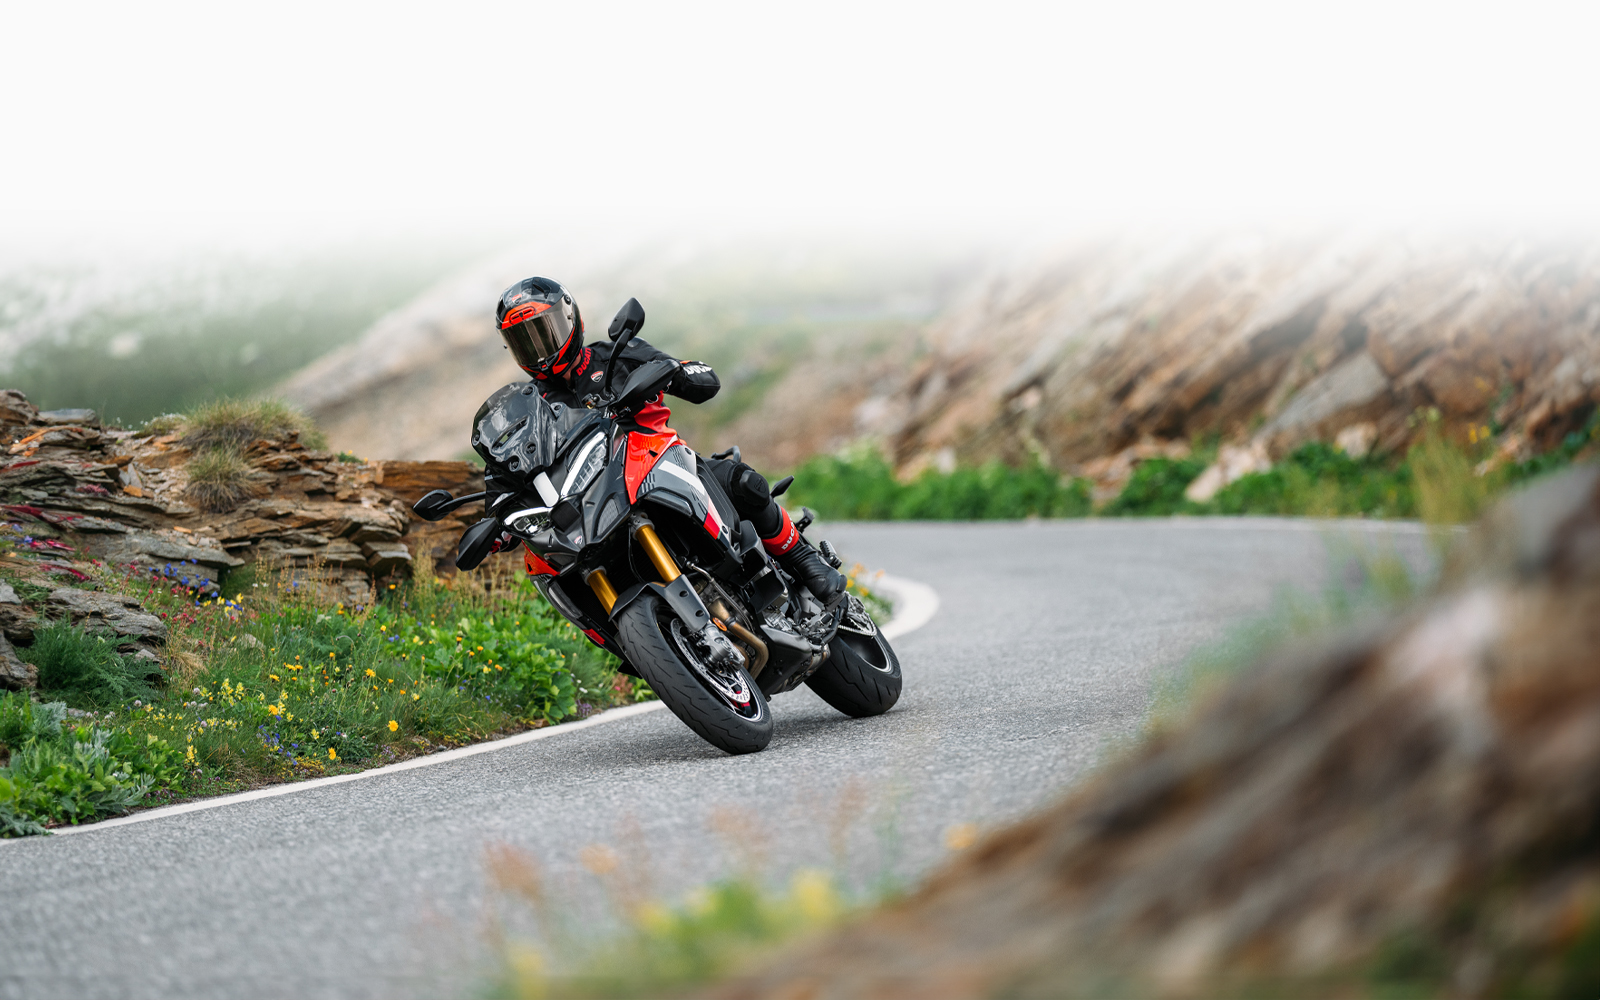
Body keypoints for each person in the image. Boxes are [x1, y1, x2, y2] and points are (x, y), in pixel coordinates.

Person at [494, 275, 846, 602]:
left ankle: (803, 558)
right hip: (596, 500)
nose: (539, 350)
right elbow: (507, 467)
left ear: (571, 319)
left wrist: (676, 373)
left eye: (544, 333)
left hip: (659, 463)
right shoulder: (532, 408)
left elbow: (701, 377)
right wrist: (498, 518)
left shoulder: (616, 355)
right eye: (525, 341)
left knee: (741, 482)